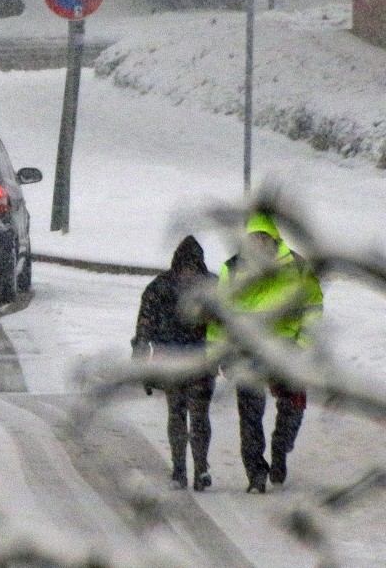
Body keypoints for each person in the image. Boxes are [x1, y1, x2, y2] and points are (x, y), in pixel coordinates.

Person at [206, 211, 323, 494]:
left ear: (273, 238)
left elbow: (313, 306)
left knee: (293, 405)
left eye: (263, 238)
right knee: (249, 415)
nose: (258, 244)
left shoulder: (297, 266)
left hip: (286, 348)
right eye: (253, 238)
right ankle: (256, 474)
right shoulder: (232, 269)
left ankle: (281, 448)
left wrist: (303, 344)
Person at [132, 235, 216, 491]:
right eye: (185, 267)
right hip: (184, 361)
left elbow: (144, 328)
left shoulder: (159, 288)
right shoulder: (210, 287)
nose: (187, 274)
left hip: (191, 361)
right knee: (183, 415)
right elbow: (143, 330)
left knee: (192, 416)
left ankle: (195, 469)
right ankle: (185, 469)